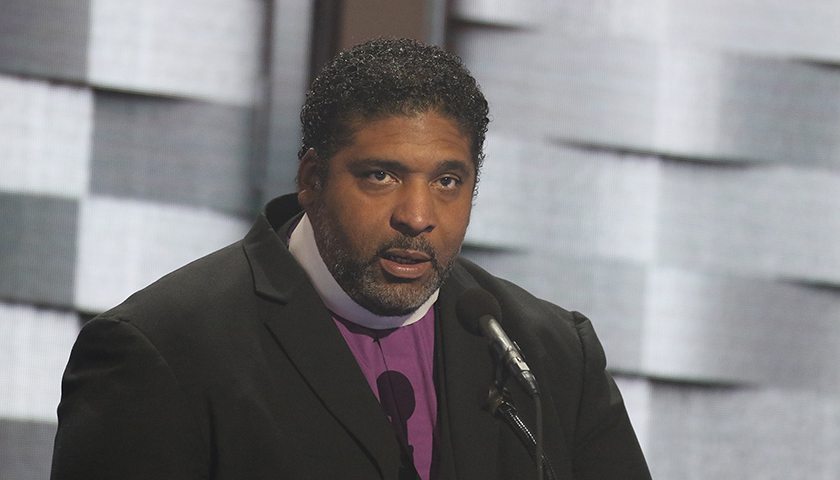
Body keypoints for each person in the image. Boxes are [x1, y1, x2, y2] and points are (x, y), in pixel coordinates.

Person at [51, 38, 651, 480]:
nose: (417, 215)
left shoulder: (547, 354)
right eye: (381, 175)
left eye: (448, 181)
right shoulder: (163, 349)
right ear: (312, 178)